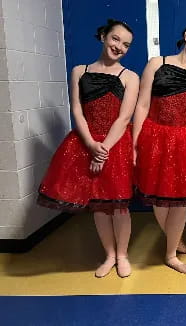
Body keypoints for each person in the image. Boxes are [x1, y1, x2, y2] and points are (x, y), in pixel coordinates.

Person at [38, 19, 139, 278]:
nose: (119, 47)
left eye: (126, 45)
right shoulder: (79, 71)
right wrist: (91, 145)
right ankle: (109, 255)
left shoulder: (130, 76)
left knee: (119, 206)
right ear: (103, 36)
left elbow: (124, 117)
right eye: (115, 39)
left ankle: (123, 255)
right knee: (98, 204)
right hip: (86, 142)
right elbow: (77, 111)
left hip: (115, 144)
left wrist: (103, 149)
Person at [133, 21, 186, 273]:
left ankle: (170, 254)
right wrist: (135, 144)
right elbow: (142, 106)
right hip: (155, 137)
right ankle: (175, 239)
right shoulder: (157, 64)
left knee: (180, 201)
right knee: (158, 198)